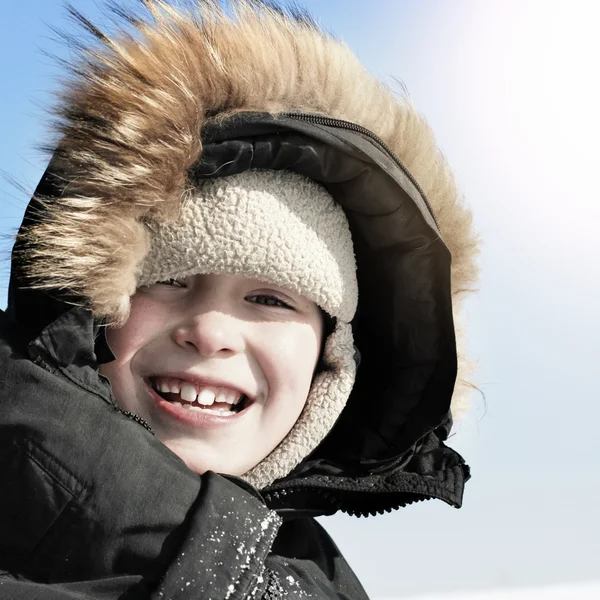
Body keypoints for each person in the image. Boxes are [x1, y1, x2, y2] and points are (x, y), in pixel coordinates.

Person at [0, 1, 479, 598]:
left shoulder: (311, 576)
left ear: (331, 362)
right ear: (88, 310)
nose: (211, 332)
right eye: (169, 280)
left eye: (270, 299)